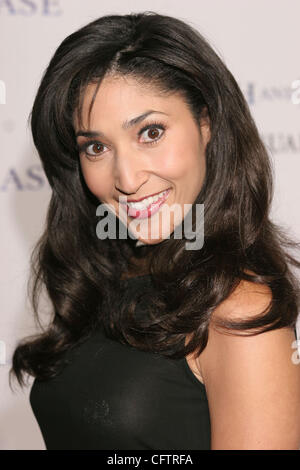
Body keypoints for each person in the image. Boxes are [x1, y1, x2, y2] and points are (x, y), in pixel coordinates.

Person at [9, 11, 300, 450]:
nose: (125, 178)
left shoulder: (239, 311)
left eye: (151, 132)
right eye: (96, 146)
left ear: (206, 124)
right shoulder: (111, 275)